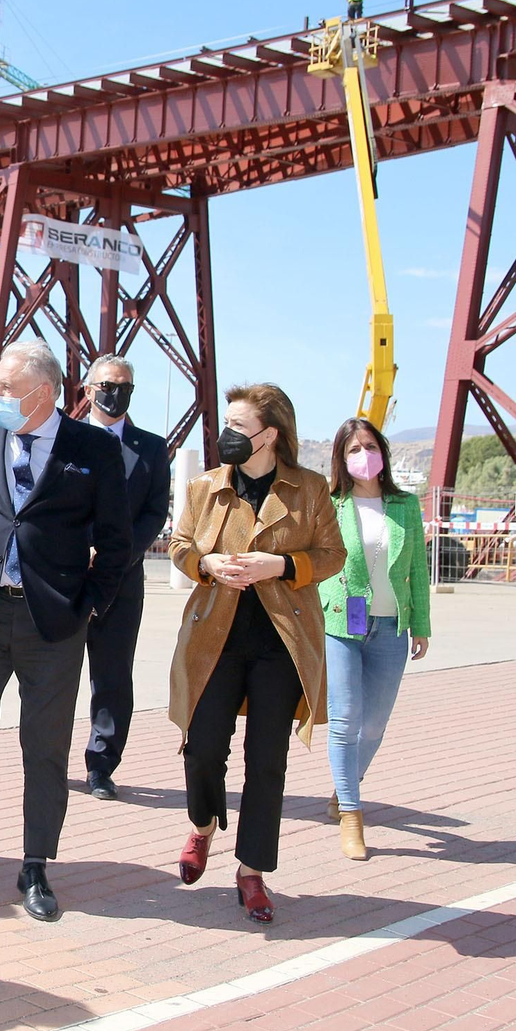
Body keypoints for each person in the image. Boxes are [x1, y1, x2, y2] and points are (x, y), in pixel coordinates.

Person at [0, 339, 131, 922]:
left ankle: (36, 863)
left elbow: (116, 542)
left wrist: (89, 605)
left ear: (43, 393)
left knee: (44, 746)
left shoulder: (93, 448)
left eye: (4, 387)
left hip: (54, 622)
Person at [168, 383, 343, 925]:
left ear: (271, 435)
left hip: (281, 643)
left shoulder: (310, 488)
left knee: (267, 762)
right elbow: (179, 545)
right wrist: (206, 565)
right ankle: (202, 826)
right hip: (213, 640)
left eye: (239, 427)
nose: (228, 435)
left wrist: (282, 566)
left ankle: (252, 871)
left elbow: (332, 554)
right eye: (228, 424)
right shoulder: (205, 487)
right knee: (202, 750)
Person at [319, 418, 430, 861]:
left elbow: (418, 567)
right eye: (353, 449)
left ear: (382, 451)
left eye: (369, 446)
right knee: (345, 719)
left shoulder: (405, 505)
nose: (363, 455)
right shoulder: (330, 504)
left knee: (375, 724)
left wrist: (421, 624)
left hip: (390, 626)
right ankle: (352, 814)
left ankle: (345, 785)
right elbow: (318, 563)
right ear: (340, 459)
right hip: (341, 625)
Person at [78, 355, 170, 801]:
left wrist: (117, 557)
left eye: (124, 387)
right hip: (66, 577)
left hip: (122, 580)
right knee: (52, 673)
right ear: (88, 389)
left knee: (113, 675)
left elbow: (154, 512)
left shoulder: (151, 448)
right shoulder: (62, 438)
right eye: (107, 386)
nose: (115, 394)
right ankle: (47, 759)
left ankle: (101, 764)